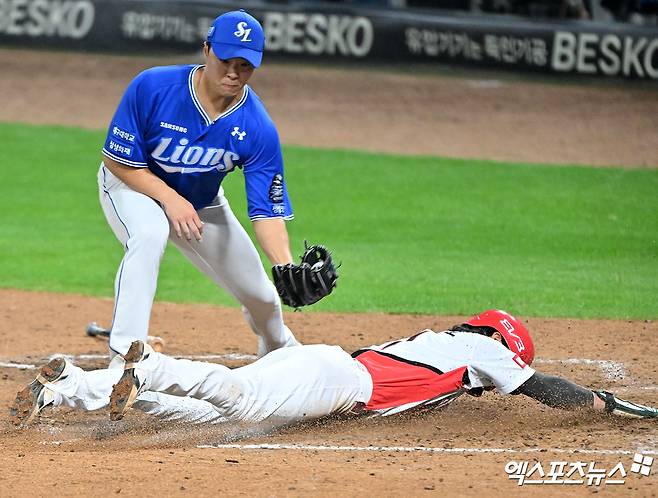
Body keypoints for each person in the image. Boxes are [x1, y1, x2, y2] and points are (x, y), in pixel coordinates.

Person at [11, 310, 657, 427]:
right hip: (339, 381)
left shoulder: (453, 345)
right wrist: (600, 403)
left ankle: (66, 388)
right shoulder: (482, 352)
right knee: (239, 400)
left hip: (325, 368)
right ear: (503, 344)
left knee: (194, 411)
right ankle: (149, 366)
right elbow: (543, 387)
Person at [98, 10, 301, 359]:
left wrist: (284, 264)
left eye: (245, 65)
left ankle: (280, 350)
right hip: (131, 186)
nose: (234, 73)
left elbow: (266, 211)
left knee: (263, 297)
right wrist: (169, 198)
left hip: (201, 205)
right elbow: (116, 161)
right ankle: (125, 354)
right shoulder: (153, 87)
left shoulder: (257, 126)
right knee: (150, 234)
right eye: (226, 61)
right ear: (206, 49)